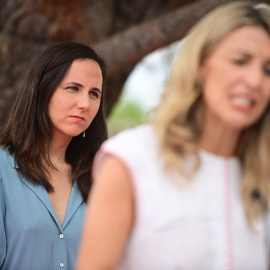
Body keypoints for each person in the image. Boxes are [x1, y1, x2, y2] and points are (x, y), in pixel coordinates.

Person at [76, 1, 270, 270]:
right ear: (201, 64)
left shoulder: (262, 175)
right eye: (240, 61)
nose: (255, 81)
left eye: (268, 70)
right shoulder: (132, 159)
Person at [0, 41, 107, 270]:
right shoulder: (2, 169)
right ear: (42, 89)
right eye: (73, 88)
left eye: (94, 93)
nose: (84, 104)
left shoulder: (100, 176)